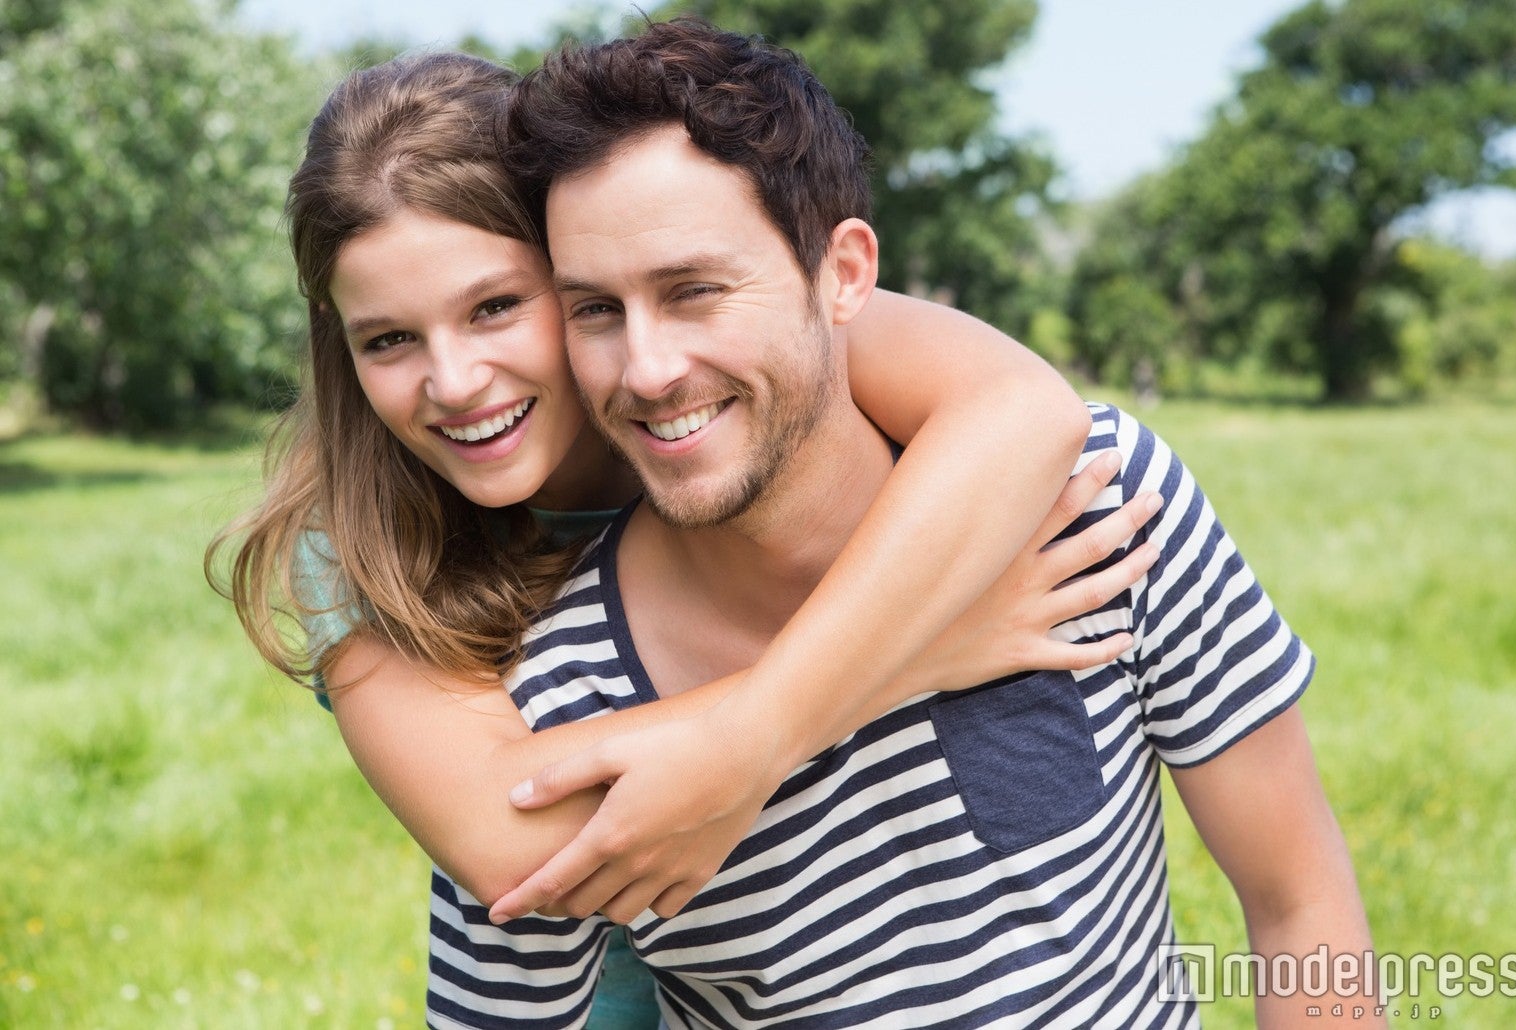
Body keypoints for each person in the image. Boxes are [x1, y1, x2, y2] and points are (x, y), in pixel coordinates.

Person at [412, 19, 1382, 1028]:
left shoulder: (1096, 504)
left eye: (694, 289)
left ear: (844, 275)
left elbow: (1298, 901)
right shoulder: (555, 705)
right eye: (597, 312)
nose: (648, 369)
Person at [206, 50, 1159, 1027]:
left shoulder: (717, 352)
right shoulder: (356, 545)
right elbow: (513, 838)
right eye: (389, 338)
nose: (453, 380)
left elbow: (1024, 411)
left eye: (496, 305)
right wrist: (909, 654)